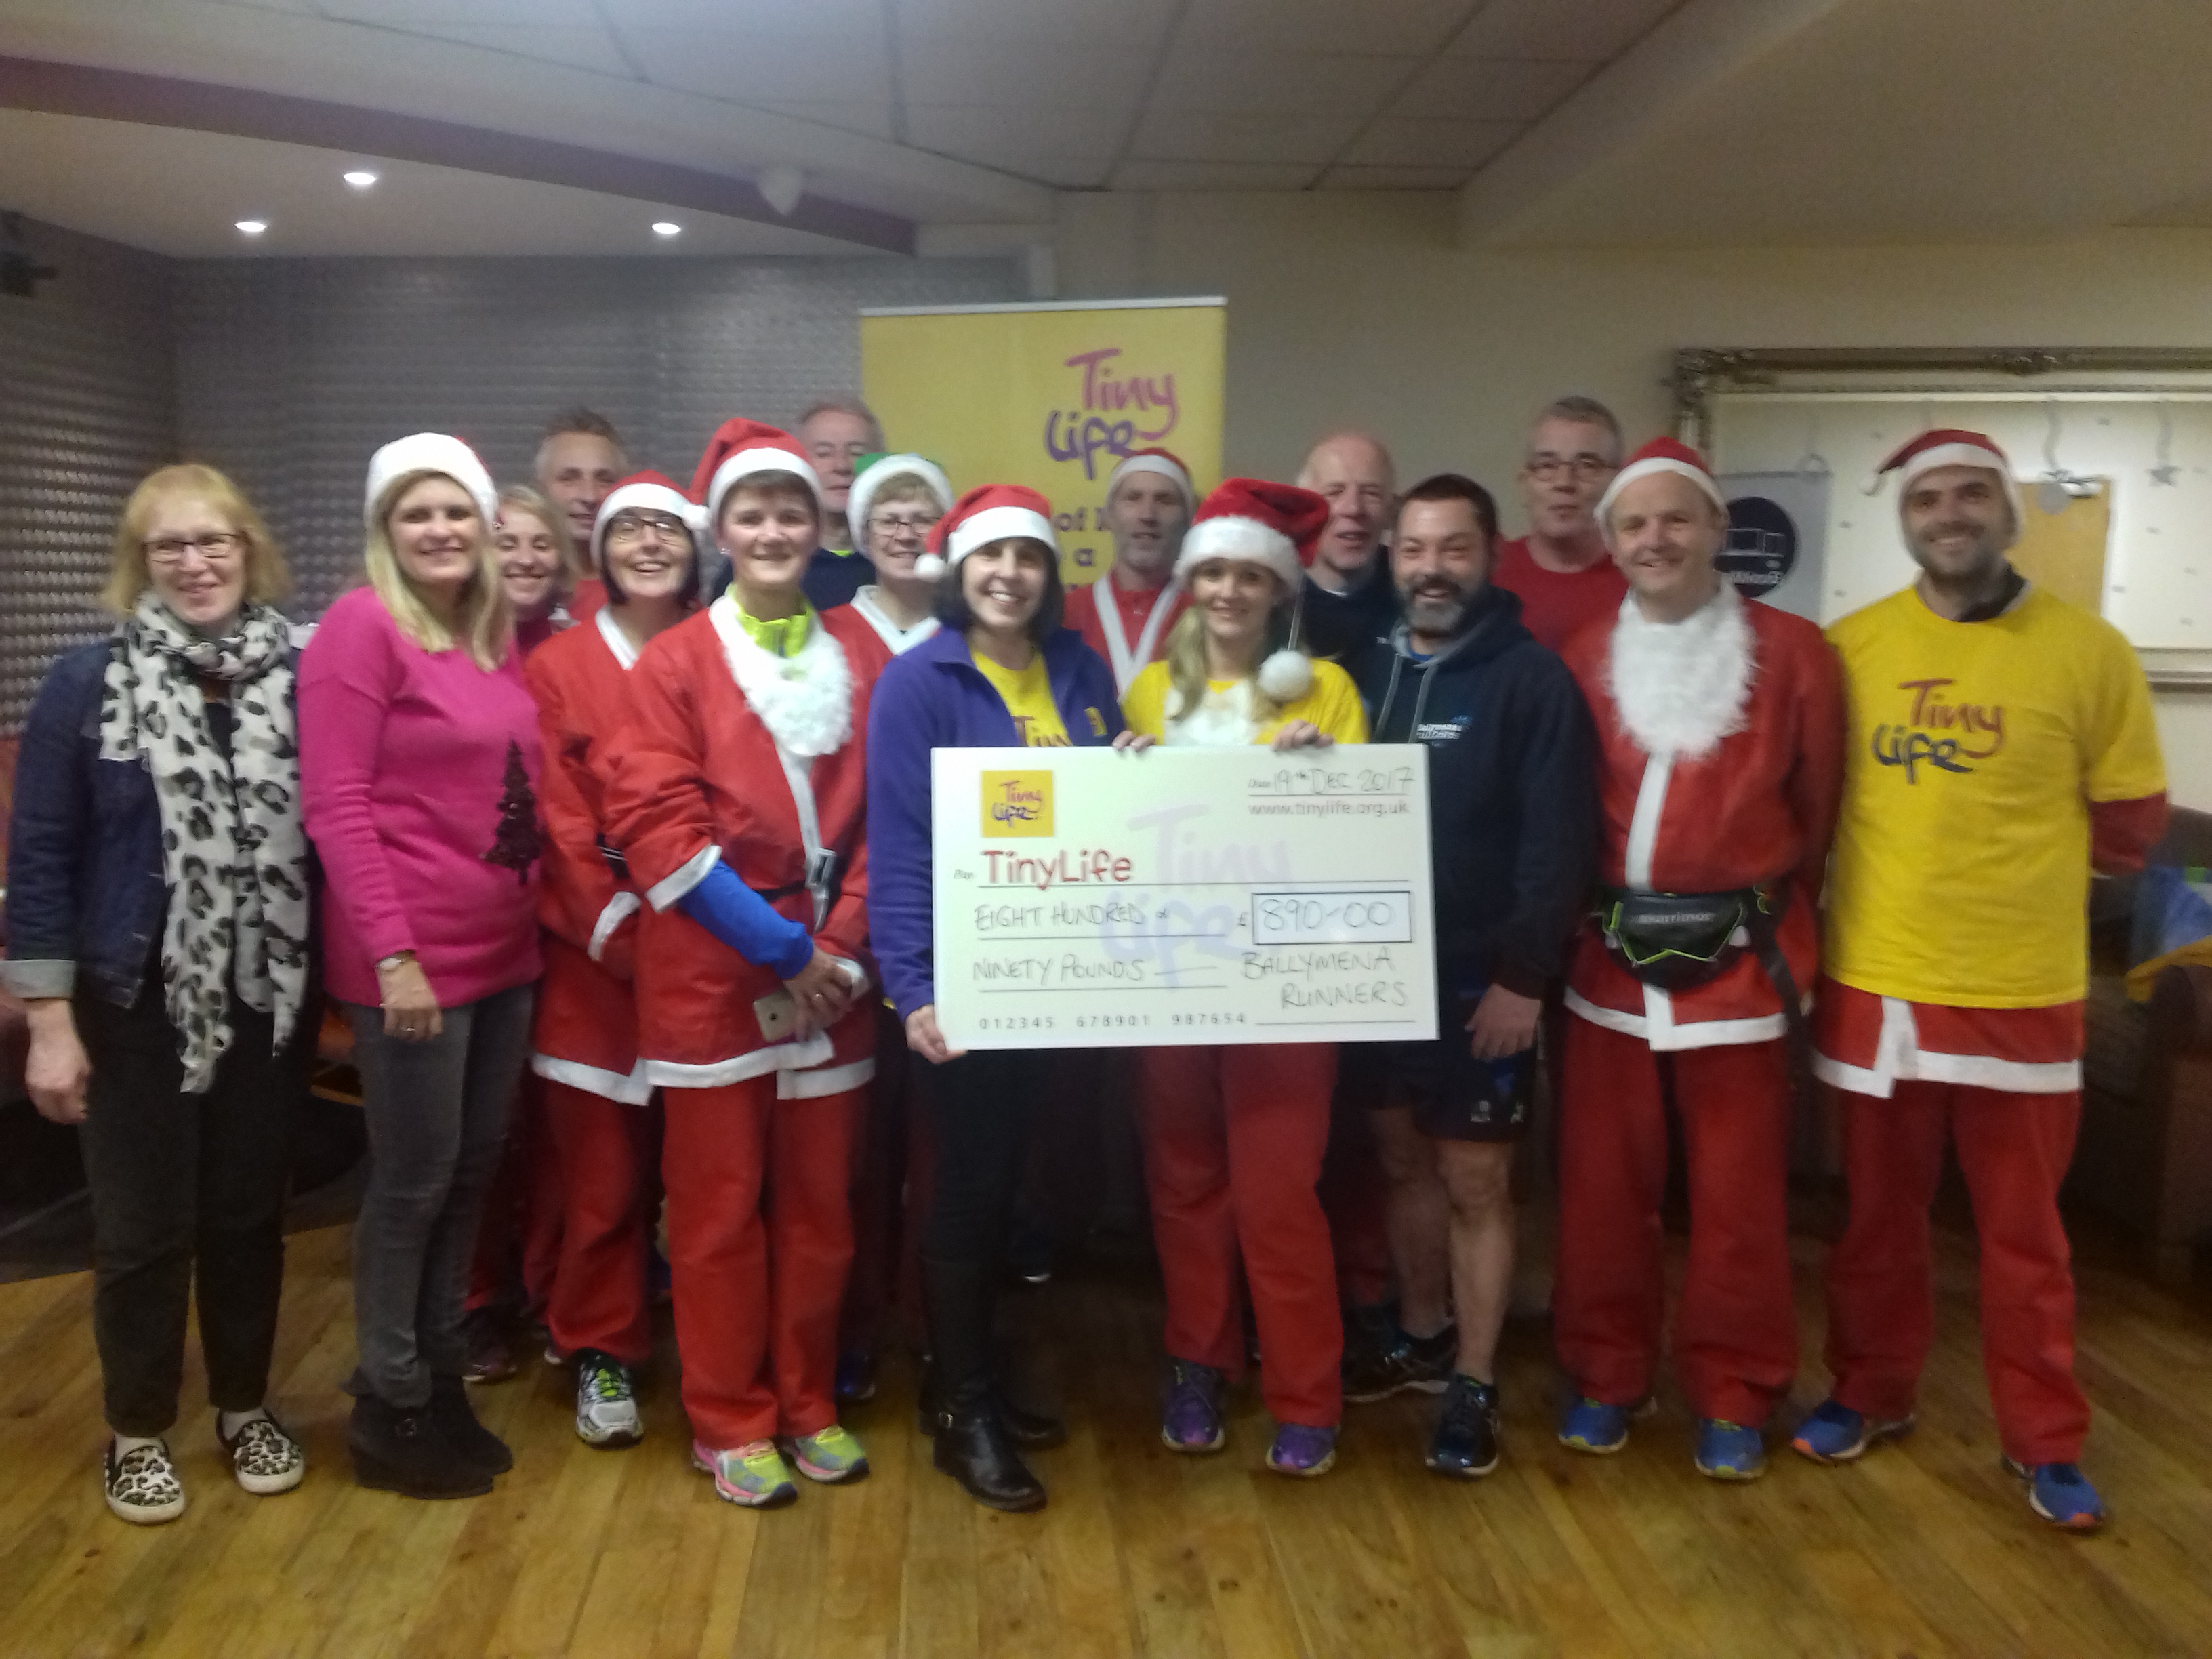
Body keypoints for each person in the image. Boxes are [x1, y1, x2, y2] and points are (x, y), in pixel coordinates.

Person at [1796, 430, 2167, 1531]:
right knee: (1875, 1221)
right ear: (1903, 519)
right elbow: (1814, 804)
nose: (1948, 513)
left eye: (1969, 494)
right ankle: (1870, 1390)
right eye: (1927, 498)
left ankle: (2044, 1438)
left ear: (2006, 512)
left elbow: (2128, 825)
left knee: (2023, 1237)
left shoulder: (2088, 651)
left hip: (2021, 992)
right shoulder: (1850, 648)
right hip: (1877, 983)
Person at [6, 464, 313, 1523]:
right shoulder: (86, 682)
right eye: (169, 545)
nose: (194, 562)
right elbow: (42, 856)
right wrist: (50, 1023)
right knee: (142, 1230)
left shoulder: (300, 677)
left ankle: (243, 1407)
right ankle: (137, 1431)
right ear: (139, 563)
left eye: (213, 540)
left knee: (247, 1219)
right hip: (135, 1001)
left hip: (266, 999)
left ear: (248, 549)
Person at [1551, 437, 1843, 1481]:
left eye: (1677, 518)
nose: (1655, 538)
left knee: (1738, 1199)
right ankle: (1605, 1372)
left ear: (1718, 527)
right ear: (1612, 541)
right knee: (1601, 1190)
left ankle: (1735, 1389)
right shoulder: (1583, 651)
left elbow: (1820, 811)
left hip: (1743, 967)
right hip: (1608, 964)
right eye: (1634, 523)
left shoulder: (1796, 654)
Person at [603, 419, 880, 1509]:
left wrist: (840, 948)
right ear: (721, 530)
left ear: (818, 527)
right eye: (752, 514)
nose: (772, 531)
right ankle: (727, 1418)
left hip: (837, 980)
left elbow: (893, 822)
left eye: (791, 513)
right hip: (712, 979)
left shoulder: (862, 654)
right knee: (717, 1214)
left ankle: (806, 1400)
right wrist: (788, 952)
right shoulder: (672, 662)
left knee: (822, 1209)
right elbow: (656, 829)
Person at [867, 485, 1124, 1512]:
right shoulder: (917, 681)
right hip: (964, 979)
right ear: (960, 571)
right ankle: (962, 1411)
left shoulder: (1081, 671)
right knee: (970, 1185)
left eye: (1027, 558)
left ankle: (960, 1375)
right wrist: (912, 988)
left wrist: (1133, 771)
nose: (1008, 575)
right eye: (990, 557)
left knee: (1013, 1178)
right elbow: (898, 845)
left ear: (1048, 576)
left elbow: (1110, 817)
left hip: (1058, 978)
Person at [300, 433, 546, 1500]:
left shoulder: (486, 632)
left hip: (504, 956)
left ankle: (439, 1373)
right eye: (416, 514)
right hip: (412, 965)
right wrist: (394, 956)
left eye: (455, 512)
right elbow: (336, 804)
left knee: (470, 1172)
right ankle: (388, 1400)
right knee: (410, 1184)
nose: (440, 531)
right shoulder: (361, 629)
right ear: (384, 530)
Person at [1342, 473, 1597, 1478]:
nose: (1432, 569)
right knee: (1403, 1163)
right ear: (1393, 559)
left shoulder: (1532, 682)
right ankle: (1422, 1334)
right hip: (1369, 975)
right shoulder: (1355, 673)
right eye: (1414, 549)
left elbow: (1558, 844)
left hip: (1479, 980)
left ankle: (1476, 1381)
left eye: (1454, 549)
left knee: (1476, 1179)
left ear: (1491, 555)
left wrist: (1524, 980)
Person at [1120, 478, 1365, 1477]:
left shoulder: (1325, 689)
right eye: (1213, 572)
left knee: (1277, 1193)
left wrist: (1325, 773)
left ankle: (1307, 1392)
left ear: (1278, 590)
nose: (1228, 591)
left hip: (1286, 990)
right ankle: (1198, 1362)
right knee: (1184, 1184)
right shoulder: (1148, 691)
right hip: (1172, 982)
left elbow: (1359, 837)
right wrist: (1119, 773)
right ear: (1192, 580)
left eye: (1249, 576)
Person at [525, 470, 703, 1449]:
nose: (647, 543)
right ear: (602, 549)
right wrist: (623, 933)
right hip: (596, 962)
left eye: (666, 528)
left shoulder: (721, 647)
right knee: (602, 1176)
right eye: (629, 528)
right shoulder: (557, 665)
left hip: (713, 946)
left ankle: (717, 1351)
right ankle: (601, 1345)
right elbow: (558, 816)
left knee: (712, 1177)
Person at [1491, 396, 1631, 653]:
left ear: (1619, 484)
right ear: (1524, 484)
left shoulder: (1642, 580)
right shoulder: (1486, 575)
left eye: (1587, 466)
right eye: (1547, 465)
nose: (1564, 482)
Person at [1061, 448, 1194, 694]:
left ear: (1189, 519)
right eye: (1133, 498)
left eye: (1165, 500)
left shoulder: (1205, 614)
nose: (1148, 515)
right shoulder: (1065, 614)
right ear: (1107, 516)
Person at [1296, 431, 1400, 663]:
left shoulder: (1414, 592)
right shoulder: (1270, 594)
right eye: (1334, 492)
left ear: (1392, 511)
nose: (1354, 509)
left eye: (1372, 494)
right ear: (1304, 506)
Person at [842, 452, 954, 655]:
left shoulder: (968, 635)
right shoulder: (829, 633)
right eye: (888, 522)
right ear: (865, 535)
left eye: (922, 521)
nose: (905, 535)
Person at [535, 407, 628, 619]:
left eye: (604, 480)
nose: (589, 496)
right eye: (570, 478)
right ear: (540, 488)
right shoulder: (509, 589)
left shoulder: (649, 595)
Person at [798, 396, 886, 607]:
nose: (842, 466)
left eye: (857, 453)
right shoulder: (771, 561)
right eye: (823, 453)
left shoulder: (901, 564)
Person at [494, 484, 583, 657]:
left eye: (542, 546)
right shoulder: (450, 647)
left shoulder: (582, 648)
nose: (526, 560)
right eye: (507, 545)